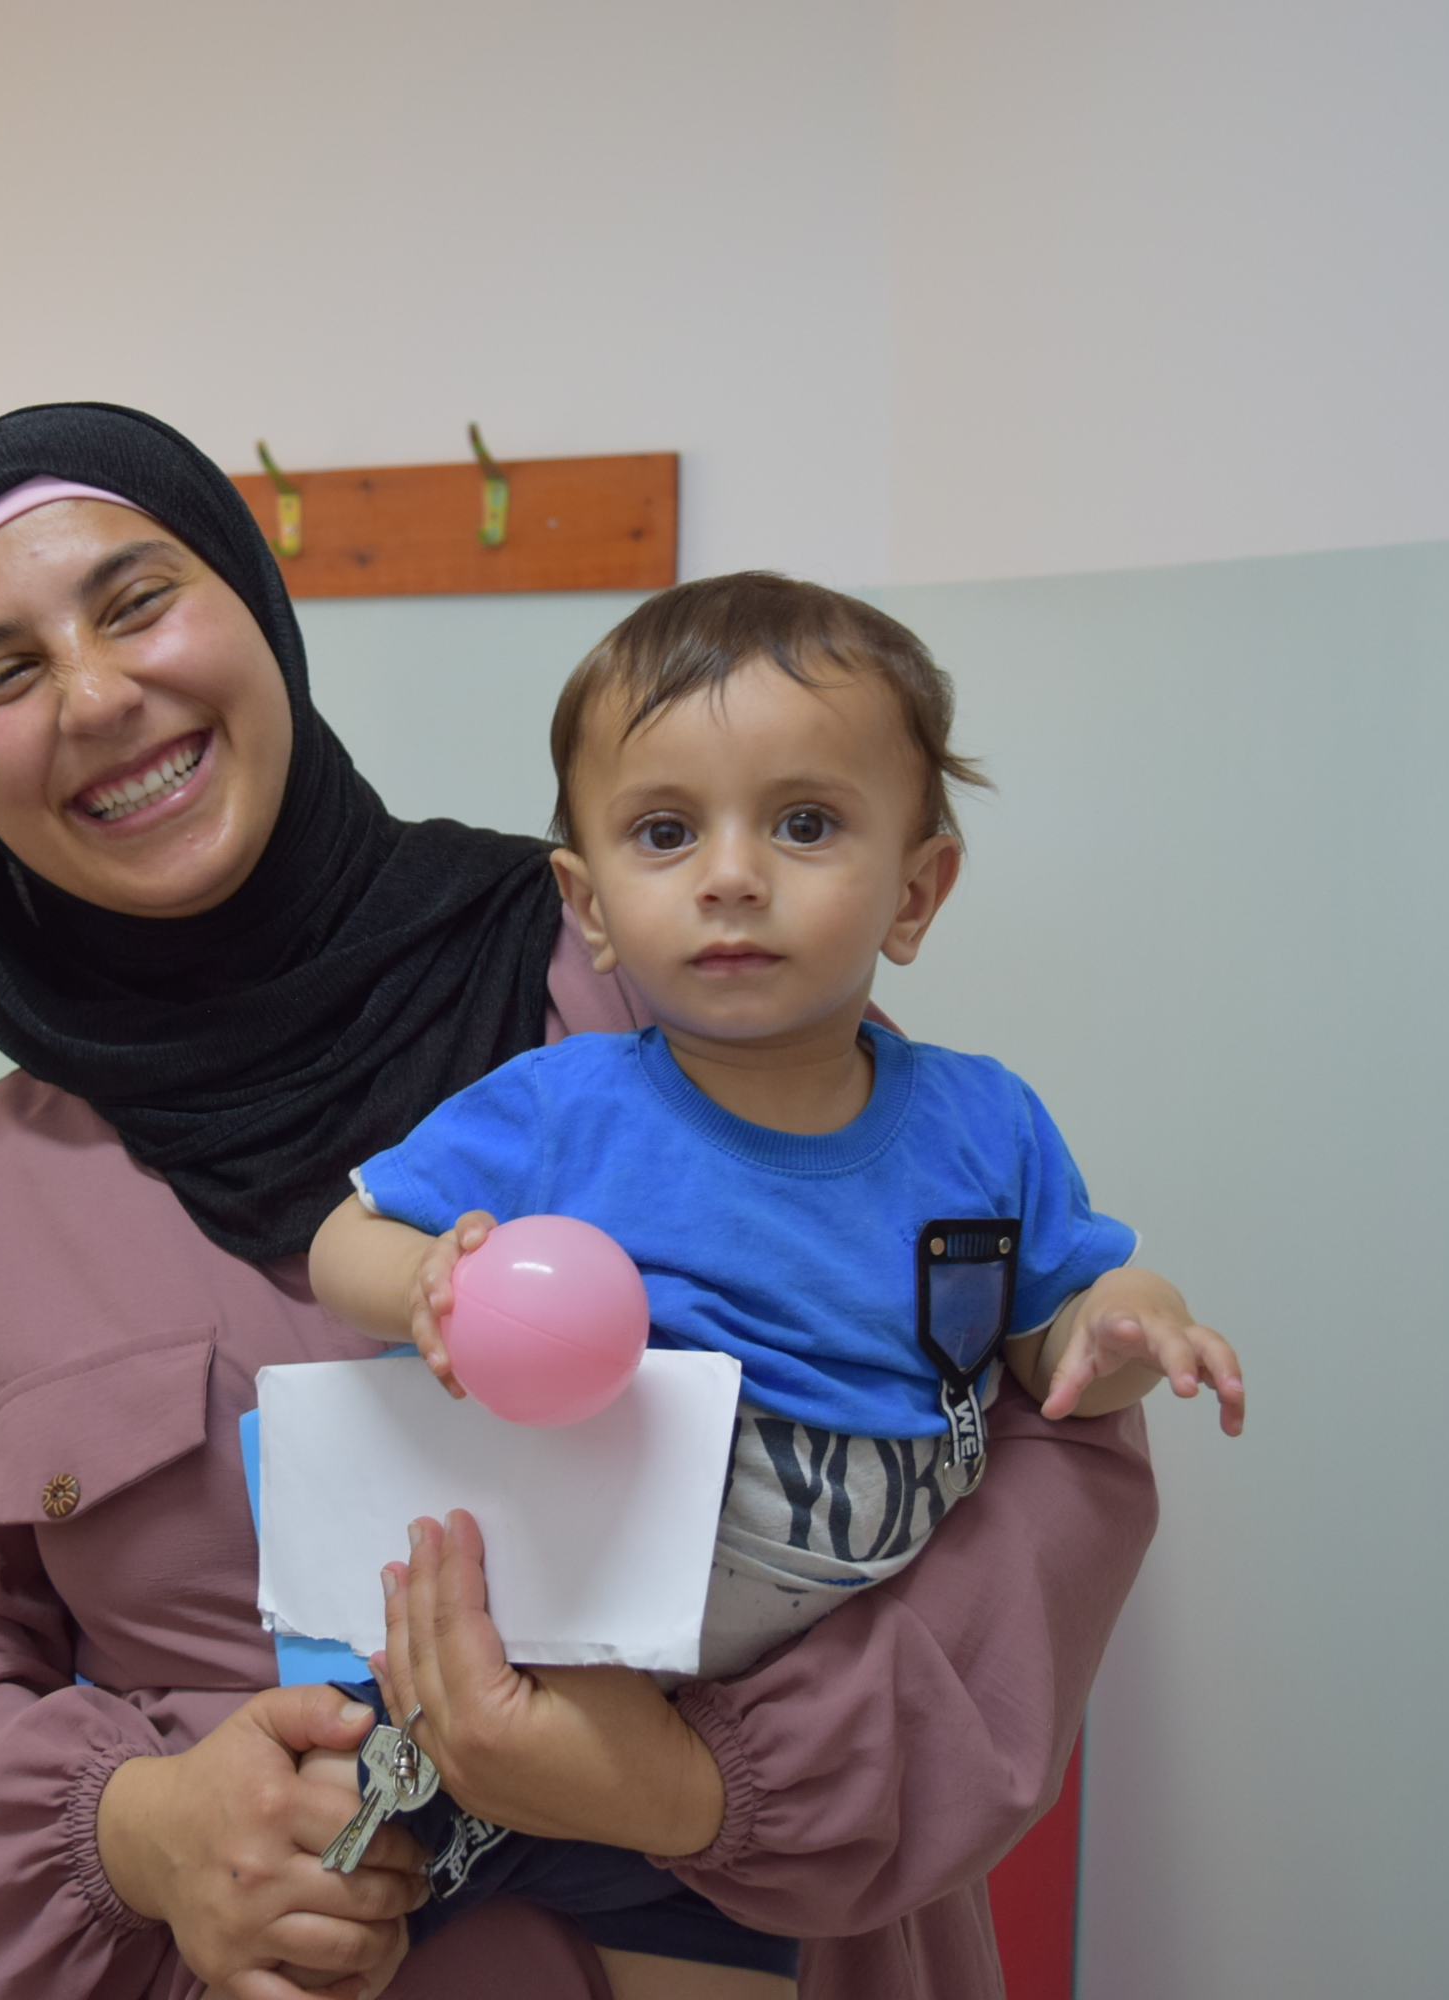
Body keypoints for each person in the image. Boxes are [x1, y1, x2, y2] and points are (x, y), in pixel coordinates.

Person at [0, 401, 1161, 2000]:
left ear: (259, 612)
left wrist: (702, 1787)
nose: (99, 695)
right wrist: (142, 1829)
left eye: (137, 600)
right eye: (3, 672)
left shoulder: (650, 965)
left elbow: (1043, 1444)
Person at [308, 574, 1248, 1992]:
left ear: (917, 890)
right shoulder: (559, 1109)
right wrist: (424, 1285)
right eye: (667, 832)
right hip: (534, 1649)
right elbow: (341, 1244)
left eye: (805, 824)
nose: (732, 873)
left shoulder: (982, 1128)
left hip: (756, 1733)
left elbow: (1062, 1339)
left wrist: (1132, 1326)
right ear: (593, 904)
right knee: (330, 1936)